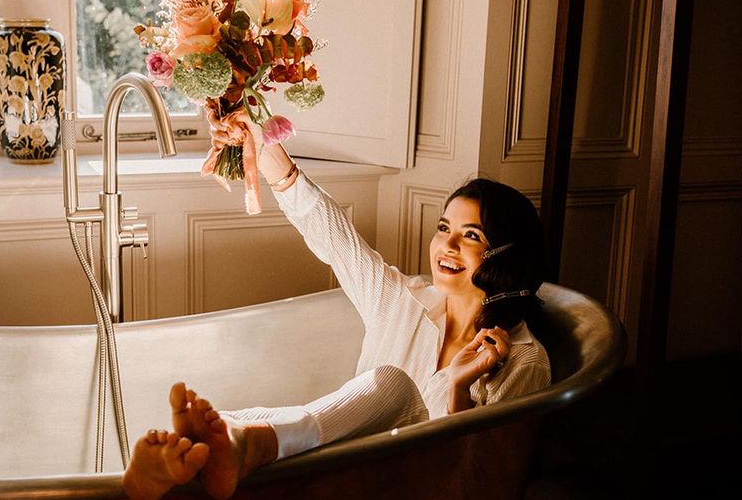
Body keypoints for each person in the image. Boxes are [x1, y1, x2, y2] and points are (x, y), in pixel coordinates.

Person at [122, 141, 551, 499]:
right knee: (238, 424)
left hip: (409, 490)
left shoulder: (522, 361)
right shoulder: (402, 300)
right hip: (336, 476)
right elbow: (332, 236)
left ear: (504, 255)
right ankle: (192, 458)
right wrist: (258, 132)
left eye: (471, 235)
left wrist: (458, 387)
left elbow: (480, 485)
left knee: (393, 386)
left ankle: (234, 448)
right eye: (444, 228)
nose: (447, 244)